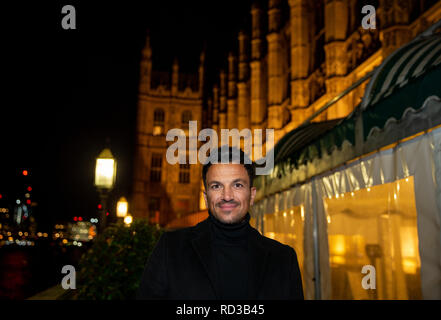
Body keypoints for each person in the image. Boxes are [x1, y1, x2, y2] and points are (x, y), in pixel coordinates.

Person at [136, 146, 304, 300]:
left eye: (237, 185)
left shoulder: (283, 259)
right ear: (205, 197)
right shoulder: (171, 248)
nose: (227, 196)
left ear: (252, 195)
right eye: (216, 186)